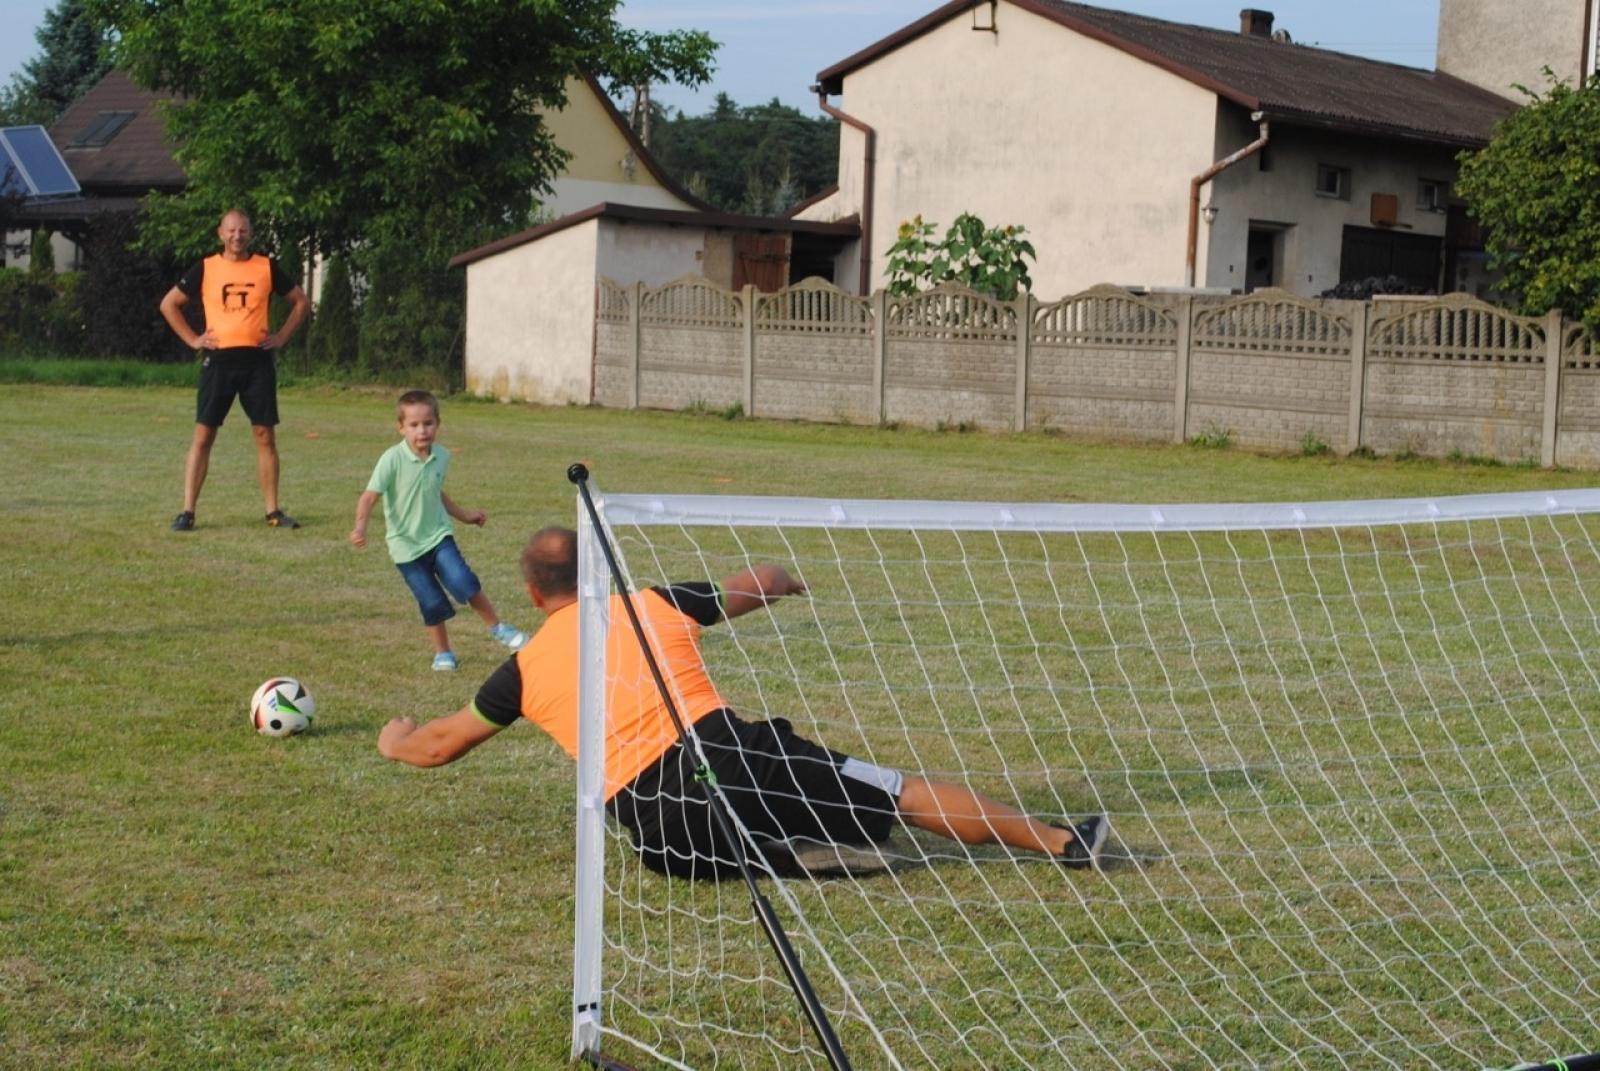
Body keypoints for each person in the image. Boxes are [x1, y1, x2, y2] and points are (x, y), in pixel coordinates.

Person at [377, 525, 1109, 880]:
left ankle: (782, 857)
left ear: (535, 595)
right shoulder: (653, 602)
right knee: (900, 792)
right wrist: (784, 578)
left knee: (685, 841)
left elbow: (440, 744)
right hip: (737, 755)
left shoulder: (523, 669)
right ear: (596, 573)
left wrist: (393, 738)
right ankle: (1058, 842)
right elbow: (755, 579)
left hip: (660, 831)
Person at [350, 390, 529, 671]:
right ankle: (443, 653)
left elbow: (436, 494)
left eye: (428, 423)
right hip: (406, 548)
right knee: (431, 602)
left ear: (438, 423)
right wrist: (360, 526)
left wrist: (466, 516)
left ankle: (498, 628)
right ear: (401, 428)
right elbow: (369, 496)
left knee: (463, 581)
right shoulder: (392, 459)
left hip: (438, 538)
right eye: (414, 425)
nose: (422, 430)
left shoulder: (442, 456)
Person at [159, 208, 311, 532]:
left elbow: (301, 301)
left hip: (257, 363)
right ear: (220, 233)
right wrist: (193, 339)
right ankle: (187, 511)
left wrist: (281, 337)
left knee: (264, 435)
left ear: (250, 233)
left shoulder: (266, 267)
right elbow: (168, 304)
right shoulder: (205, 268)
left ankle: (273, 512)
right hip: (219, 363)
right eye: (231, 231)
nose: (237, 236)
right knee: (204, 435)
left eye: (242, 230)